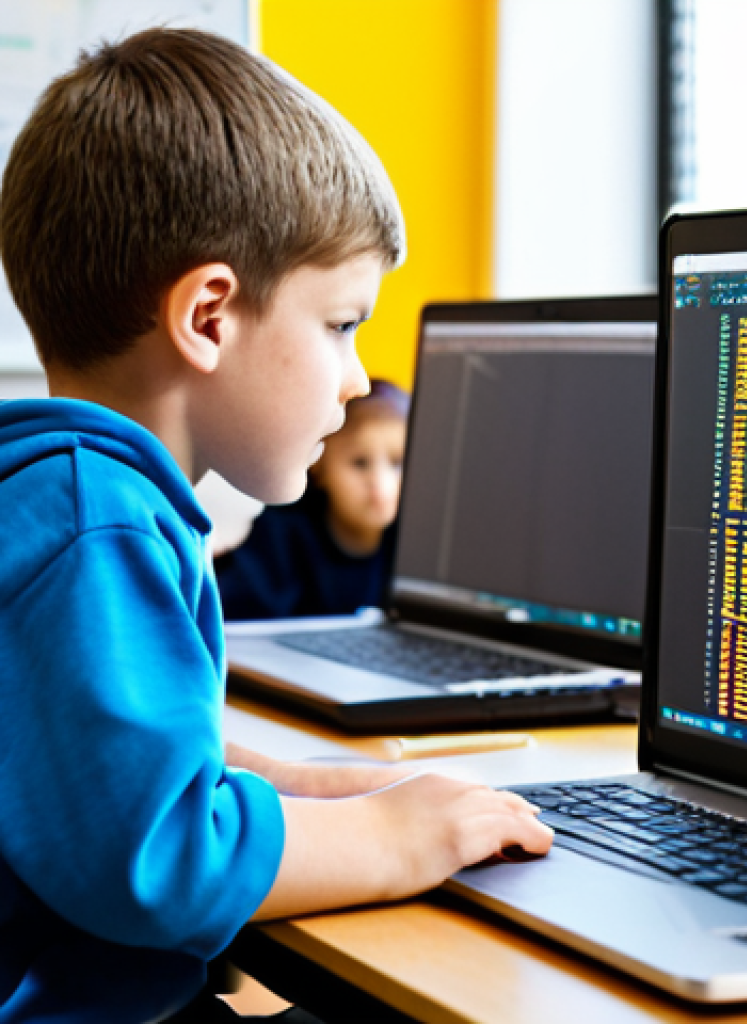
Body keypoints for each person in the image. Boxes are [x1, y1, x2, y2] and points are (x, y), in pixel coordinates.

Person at [0, 28, 551, 1024]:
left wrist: (307, 788)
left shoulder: (64, 495)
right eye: (342, 325)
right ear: (208, 317)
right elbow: (161, 863)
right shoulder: (97, 529)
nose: (355, 378)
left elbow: (123, 772)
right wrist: (396, 838)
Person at [214, 379, 409, 620]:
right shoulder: (278, 534)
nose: (381, 484)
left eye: (398, 463)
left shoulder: (419, 543)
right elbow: (239, 621)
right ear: (320, 468)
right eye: (359, 463)